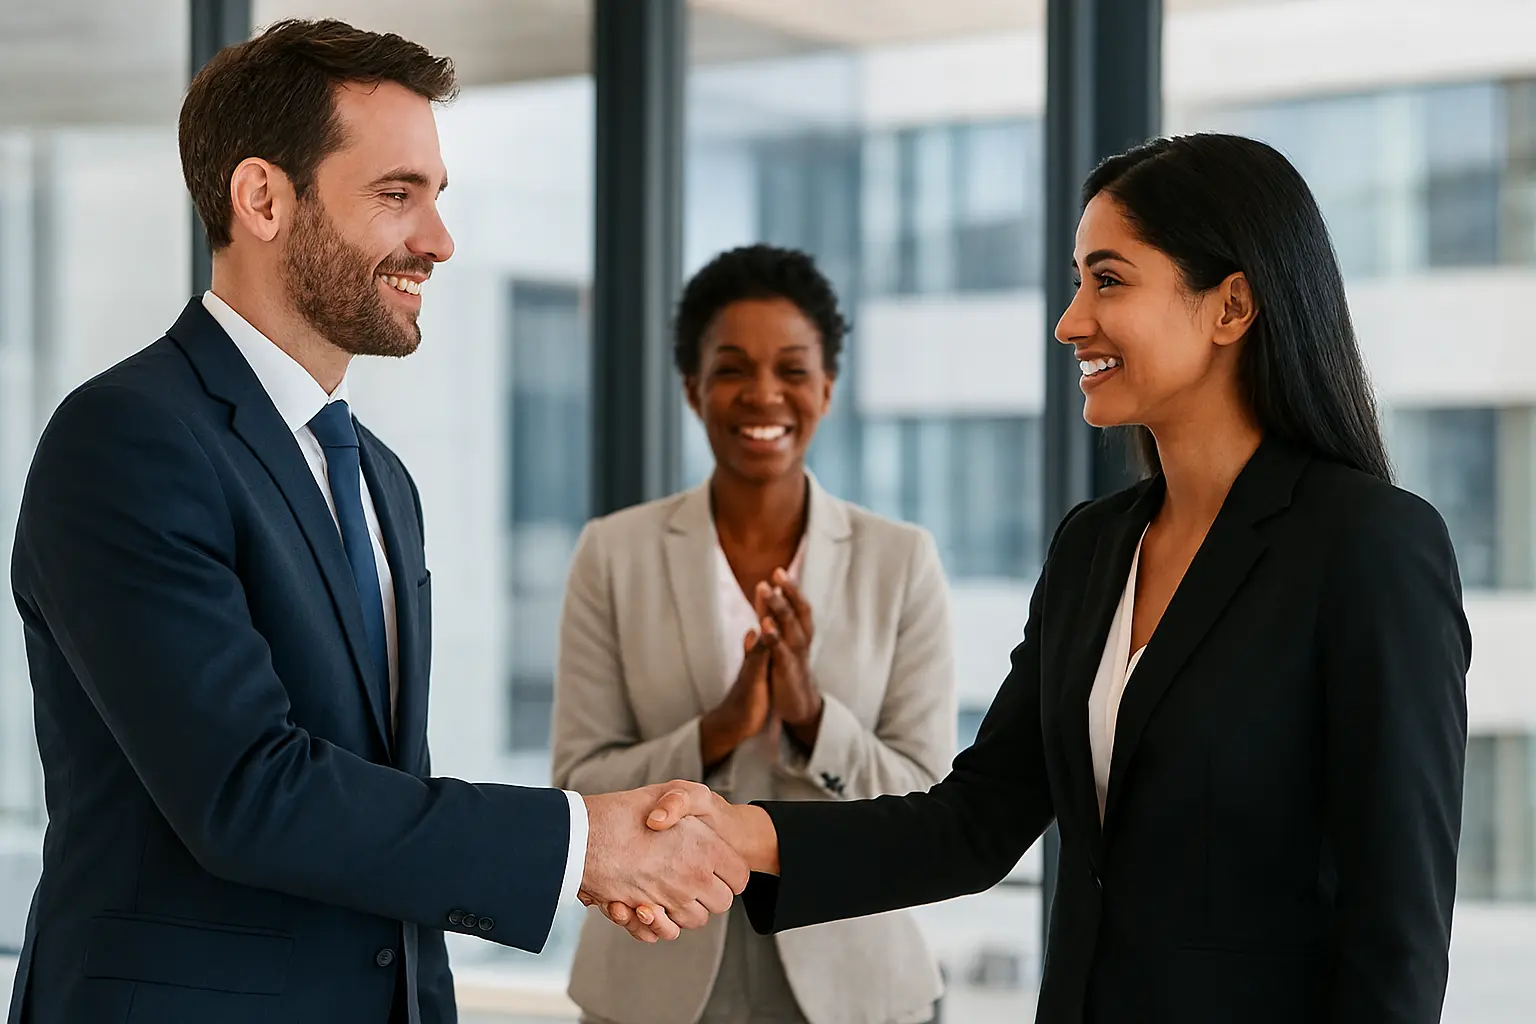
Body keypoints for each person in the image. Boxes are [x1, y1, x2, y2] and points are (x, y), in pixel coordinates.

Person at [607, 135, 1473, 1024]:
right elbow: (976, 822)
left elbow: (1397, 935)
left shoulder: (1370, 545)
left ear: (1231, 305)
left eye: (1108, 280)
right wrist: (740, 831)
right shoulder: (1096, 548)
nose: (1070, 321)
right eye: (1075, 282)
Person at [6, 20, 743, 1024]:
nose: (438, 240)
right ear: (262, 197)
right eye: (398, 195)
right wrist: (582, 844)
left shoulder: (379, 480)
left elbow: (377, 791)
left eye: (437, 197)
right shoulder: (128, 438)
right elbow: (248, 793)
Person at [552, 245, 956, 1024]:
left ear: (827, 389)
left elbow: (930, 808)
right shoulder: (613, 552)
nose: (763, 393)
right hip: (651, 980)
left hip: (854, 981)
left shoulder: (900, 562)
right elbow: (577, 786)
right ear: (693, 389)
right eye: (733, 368)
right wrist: (717, 730)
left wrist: (811, 721)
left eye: (793, 369)